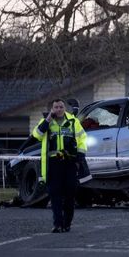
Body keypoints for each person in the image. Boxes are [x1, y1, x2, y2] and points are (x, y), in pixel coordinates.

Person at [31, 99, 88, 233]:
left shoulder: (73, 122)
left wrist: (80, 154)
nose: (58, 109)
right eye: (56, 107)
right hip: (53, 164)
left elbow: (82, 138)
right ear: (52, 109)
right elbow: (37, 135)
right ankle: (57, 224)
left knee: (69, 194)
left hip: (70, 162)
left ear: (65, 108)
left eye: (61, 107)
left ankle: (67, 223)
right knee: (54, 194)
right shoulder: (46, 121)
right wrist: (48, 119)